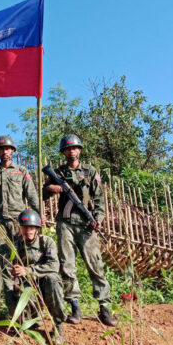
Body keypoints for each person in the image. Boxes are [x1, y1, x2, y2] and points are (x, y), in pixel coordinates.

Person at [42, 134, 117, 326]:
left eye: (75, 148)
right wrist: (53, 188)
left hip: (86, 223)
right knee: (67, 265)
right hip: (65, 223)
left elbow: (99, 199)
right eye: (68, 148)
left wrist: (98, 219)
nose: (72, 151)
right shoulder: (58, 172)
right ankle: (74, 306)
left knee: (95, 265)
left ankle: (104, 307)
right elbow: (43, 193)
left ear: (79, 150)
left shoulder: (90, 171)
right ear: (64, 152)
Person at [0, 135, 41, 316]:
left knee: (18, 263)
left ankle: (18, 307)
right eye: (1, 149)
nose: (5, 151)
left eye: (8, 149)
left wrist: (38, 218)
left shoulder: (22, 172)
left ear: (13, 151)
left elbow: (32, 196)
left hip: (19, 224)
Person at [6, 209, 66, 345]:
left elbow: (54, 266)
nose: (28, 231)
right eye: (25, 227)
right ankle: (28, 318)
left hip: (45, 287)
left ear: (37, 228)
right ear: (20, 229)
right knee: (12, 288)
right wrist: (13, 270)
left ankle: (57, 326)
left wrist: (28, 270)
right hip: (28, 286)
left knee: (53, 279)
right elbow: (8, 265)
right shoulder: (16, 246)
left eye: (31, 227)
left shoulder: (46, 242)